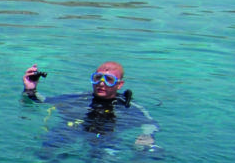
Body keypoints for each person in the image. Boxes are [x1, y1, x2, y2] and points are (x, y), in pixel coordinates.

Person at [22, 60, 156, 152]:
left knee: (108, 159)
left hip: (106, 139)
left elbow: (150, 124)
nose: (101, 83)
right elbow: (42, 101)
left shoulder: (129, 107)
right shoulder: (77, 98)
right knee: (49, 145)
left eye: (109, 80)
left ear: (119, 84)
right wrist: (30, 88)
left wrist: (147, 135)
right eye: (98, 78)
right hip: (70, 132)